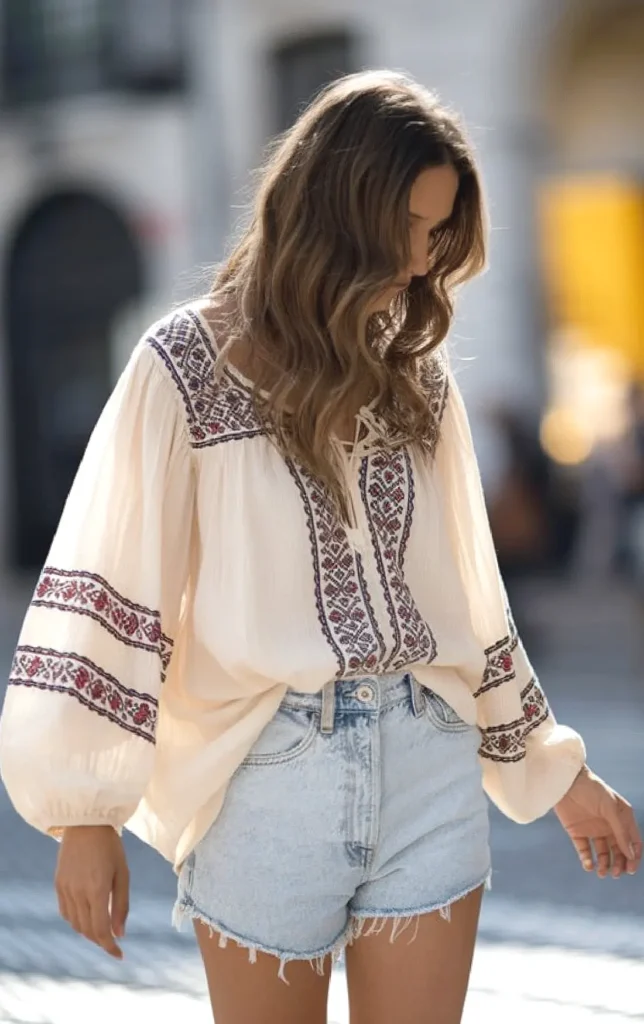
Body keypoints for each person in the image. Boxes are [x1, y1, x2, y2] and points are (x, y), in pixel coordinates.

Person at [0, 71, 641, 1024]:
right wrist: (83, 814)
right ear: (342, 213)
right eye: (417, 229)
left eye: (442, 232)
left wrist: (555, 768)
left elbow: (468, 602)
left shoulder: (417, 377)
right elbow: (112, 578)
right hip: (267, 780)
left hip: (430, 763)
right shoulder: (182, 367)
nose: (426, 263)